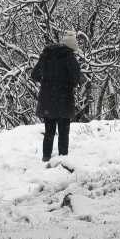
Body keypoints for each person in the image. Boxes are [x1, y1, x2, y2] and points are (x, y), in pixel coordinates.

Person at [30, 30, 83, 162]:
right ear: (71, 47)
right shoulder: (70, 58)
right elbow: (78, 79)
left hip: (48, 100)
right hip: (64, 100)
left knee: (49, 132)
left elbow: (34, 75)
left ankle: (46, 157)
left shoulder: (46, 55)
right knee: (63, 133)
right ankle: (62, 159)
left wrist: (47, 82)